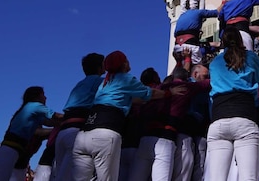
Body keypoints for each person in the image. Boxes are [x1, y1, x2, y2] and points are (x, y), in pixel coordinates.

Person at [72, 51, 185, 181]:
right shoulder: (125, 79)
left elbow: (129, 99)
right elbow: (150, 93)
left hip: (84, 134)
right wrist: (168, 93)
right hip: (105, 133)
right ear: (124, 63)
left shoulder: (105, 84)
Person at [205, 27, 259, 181]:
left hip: (218, 119)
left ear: (222, 42)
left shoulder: (215, 63)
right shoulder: (250, 57)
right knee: (248, 177)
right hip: (245, 117)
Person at [0, 86, 62, 181]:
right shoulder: (35, 106)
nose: (45, 97)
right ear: (37, 96)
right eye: (43, 95)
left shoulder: (29, 110)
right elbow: (57, 117)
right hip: (9, 151)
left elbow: (51, 122)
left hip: (6, 152)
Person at [51, 53, 104, 181]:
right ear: (100, 67)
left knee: (60, 174)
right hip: (76, 132)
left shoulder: (79, 84)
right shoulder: (100, 82)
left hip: (63, 132)